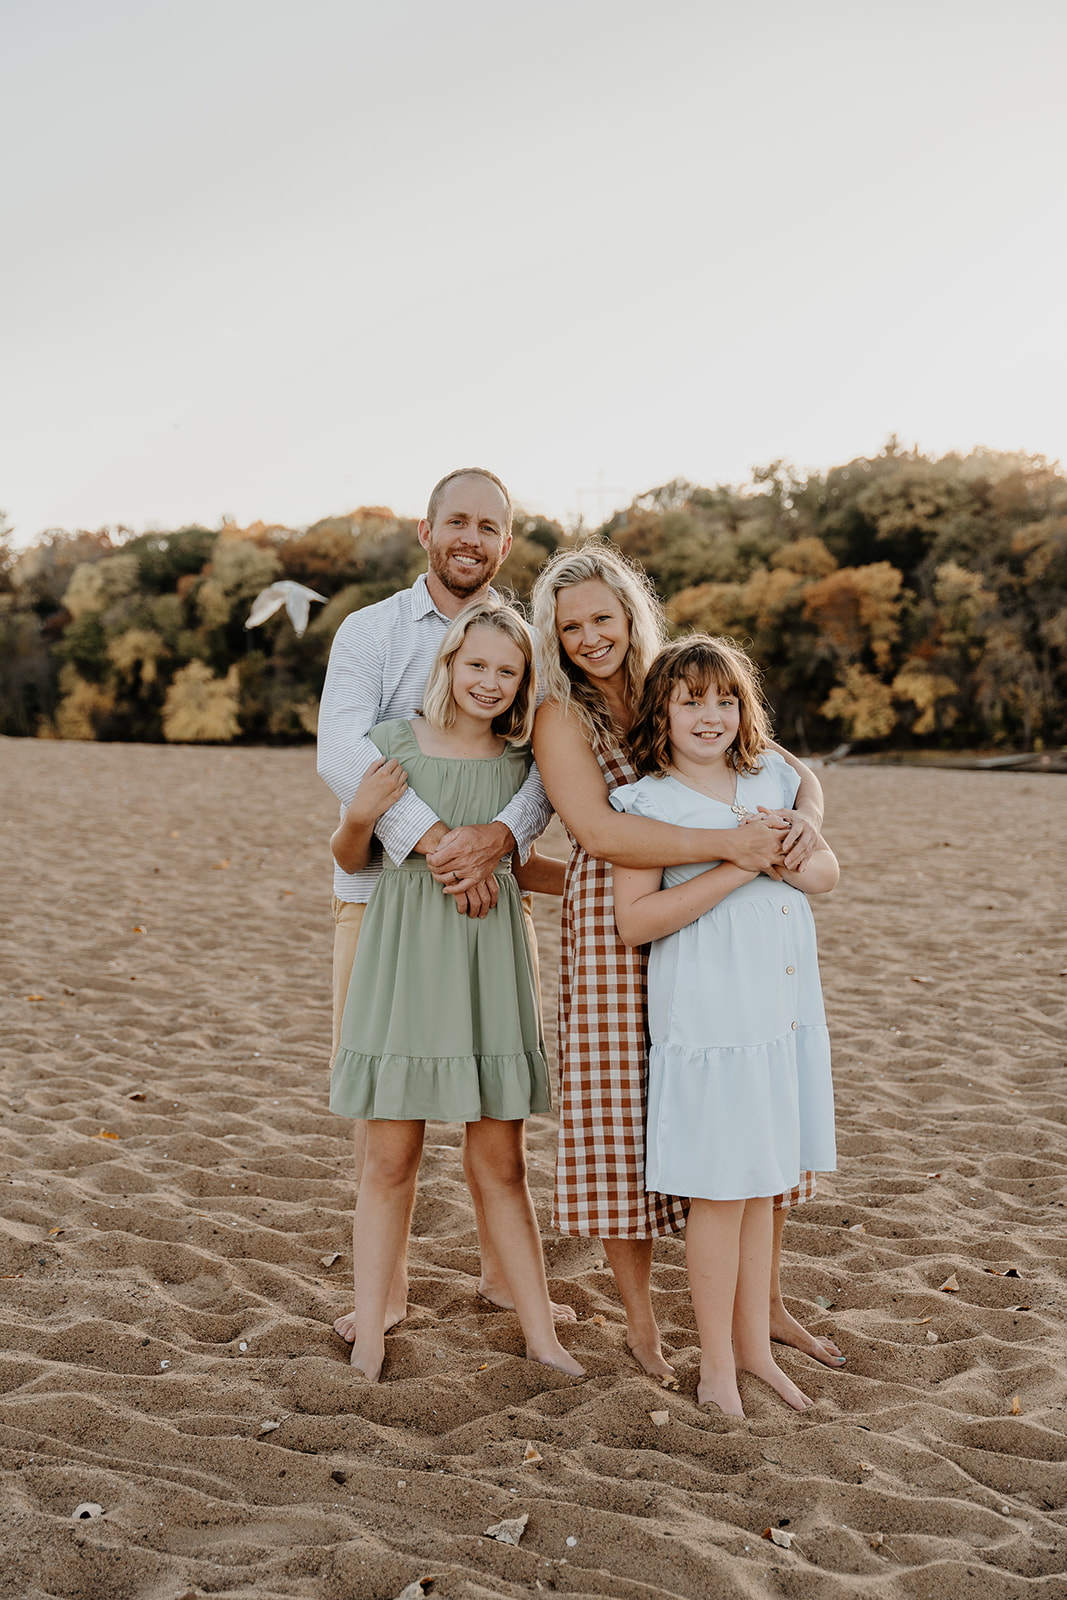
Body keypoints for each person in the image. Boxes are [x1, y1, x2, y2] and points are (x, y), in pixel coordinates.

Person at [530, 542, 843, 1377]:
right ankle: (642, 1321)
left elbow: (784, 768)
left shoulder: (678, 676)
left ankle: (764, 1306)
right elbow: (598, 832)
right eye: (570, 627)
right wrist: (737, 849)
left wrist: (803, 813)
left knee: (746, 1104)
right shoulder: (561, 713)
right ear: (551, 638)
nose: (590, 636)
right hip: (613, 923)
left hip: (720, 925)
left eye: (602, 617)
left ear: (630, 611)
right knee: (621, 1122)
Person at [317, 467, 572, 1335]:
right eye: (454, 521)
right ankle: (382, 1295)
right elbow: (340, 752)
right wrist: (433, 841)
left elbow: (542, 762)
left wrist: (495, 837)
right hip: (382, 901)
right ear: (425, 531)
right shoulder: (371, 631)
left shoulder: (523, 644)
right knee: (388, 1110)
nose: (471, 538)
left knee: (495, 1102)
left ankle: (505, 1279)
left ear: (506, 543)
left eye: (488, 527)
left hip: (490, 902)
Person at [611, 635, 838, 1414]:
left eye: (723, 699)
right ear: (661, 713)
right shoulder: (645, 801)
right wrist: (737, 862)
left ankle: (752, 1350)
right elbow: (635, 922)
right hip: (710, 1022)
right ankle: (714, 1365)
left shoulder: (768, 777)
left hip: (778, 1017)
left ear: (744, 708)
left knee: (762, 1187)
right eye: (688, 700)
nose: (708, 715)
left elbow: (826, 877)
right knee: (718, 1192)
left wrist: (799, 839)